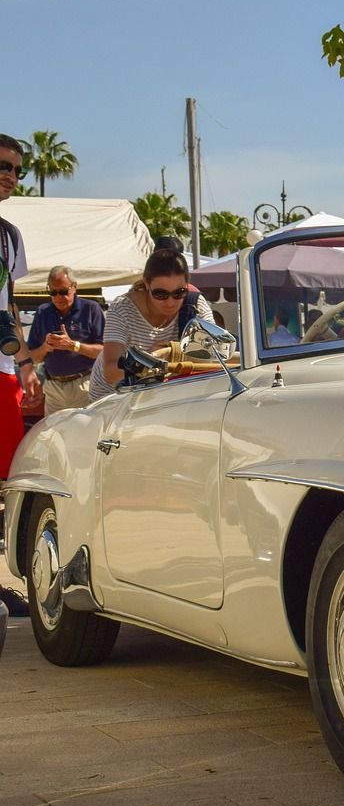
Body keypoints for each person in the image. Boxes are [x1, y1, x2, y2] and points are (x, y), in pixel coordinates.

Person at [0, 133, 40, 616]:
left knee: (6, 478)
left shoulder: (9, 236)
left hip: (3, 368)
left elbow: (8, 303)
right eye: (2, 166)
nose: (10, 176)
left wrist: (26, 361)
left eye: (16, 169)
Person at [88, 248, 213, 402]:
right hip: (113, 397)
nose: (170, 302)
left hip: (163, 393)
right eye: (160, 294)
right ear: (147, 283)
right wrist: (147, 360)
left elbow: (215, 356)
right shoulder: (122, 309)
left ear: (187, 284)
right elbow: (111, 372)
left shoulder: (195, 306)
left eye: (179, 292)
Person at [26, 266, 104, 411]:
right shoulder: (43, 312)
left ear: (74, 287)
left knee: (87, 426)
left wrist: (73, 345)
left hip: (85, 385)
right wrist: (45, 347)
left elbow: (104, 352)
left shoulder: (91, 309)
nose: (58, 297)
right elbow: (32, 357)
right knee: (52, 427)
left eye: (63, 291)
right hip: (53, 388)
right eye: (52, 292)